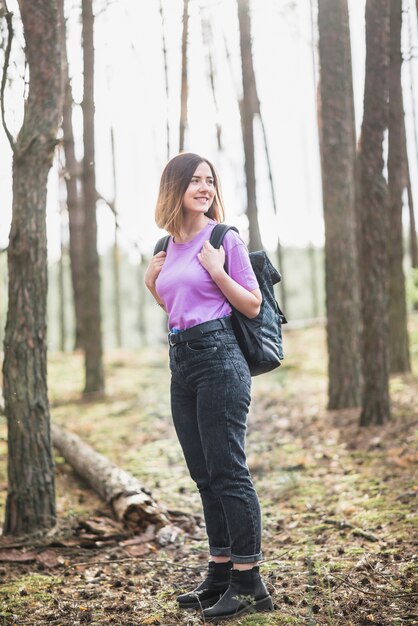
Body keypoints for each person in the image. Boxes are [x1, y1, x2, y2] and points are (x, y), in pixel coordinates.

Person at [144, 152, 274, 620]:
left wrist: (218, 270)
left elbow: (254, 306)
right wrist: (151, 284)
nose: (204, 187)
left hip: (221, 360)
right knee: (203, 474)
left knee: (228, 472)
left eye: (210, 180)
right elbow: (179, 309)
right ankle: (220, 573)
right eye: (195, 180)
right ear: (174, 188)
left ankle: (250, 584)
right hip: (183, 361)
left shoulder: (224, 238)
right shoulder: (167, 243)